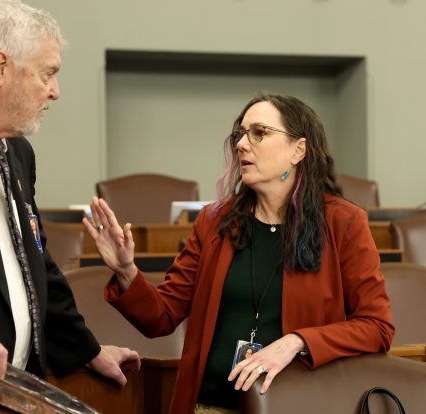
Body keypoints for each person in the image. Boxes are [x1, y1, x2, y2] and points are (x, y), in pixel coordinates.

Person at [84, 94, 394, 414]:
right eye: (241, 134)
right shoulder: (215, 222)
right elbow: (160, 318)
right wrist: (126, 271)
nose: (243, 144)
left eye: (259, 133)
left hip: (297, 405)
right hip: (210, 405)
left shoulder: (342, 222)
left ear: (298, 150)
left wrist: (297, 342)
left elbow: (376, 327)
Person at [0, 0, 139, 384]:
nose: (56, 91)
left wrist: (88, 350)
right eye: (47, 74)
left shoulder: (17, 152)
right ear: (0, 68)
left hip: (16, 387)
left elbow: (34, 264)